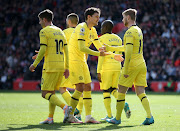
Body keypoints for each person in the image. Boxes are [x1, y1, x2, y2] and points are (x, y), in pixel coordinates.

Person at [105, 9, 154, 125]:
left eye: (123, 18)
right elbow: (126, 48)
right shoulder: (138, 30)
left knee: (121, 91)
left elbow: (128, 52)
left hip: (132, 65)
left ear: (128, 18)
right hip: (142, 63)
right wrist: (111, 48)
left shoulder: (129, 32)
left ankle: (117, 118)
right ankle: (149, 117)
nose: (122, 20)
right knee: (140, 91)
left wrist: (125, 69)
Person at [66, 7, 113, 124]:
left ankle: (88, 116)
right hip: (74, 60)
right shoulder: (81, 28)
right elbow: (82, 48)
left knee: (87, 87)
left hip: (82, 60)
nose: (98, 19)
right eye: (96, 16)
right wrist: (99, 54)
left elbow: (98, 45)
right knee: (80, 87)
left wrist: (109, 53)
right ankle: (69, 115)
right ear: (89, 17)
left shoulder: (92, 30)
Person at [29, 9, 72, 124]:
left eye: (40, 20)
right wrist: (67, 67)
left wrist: (34, 64)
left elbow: (43, 49)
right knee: (51, 92)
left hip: (50, 66)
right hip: (60, 65)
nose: (39, 23)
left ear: (44, 19)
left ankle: (65, 108)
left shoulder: (44, 31)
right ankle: (50, 118)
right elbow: (66, 50)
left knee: (45, 93)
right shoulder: (60, 31)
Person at [97, 20, 131, 121]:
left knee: (106, 91)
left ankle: (109, 115)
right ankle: (124, 104)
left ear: (106, 28)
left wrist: (99, 70)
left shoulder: (101, 38)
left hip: (106, 67)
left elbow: (102, 55)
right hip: (117, 67)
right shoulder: (118, 38)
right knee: (114, 89)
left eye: (102, 27)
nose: (101, 29)